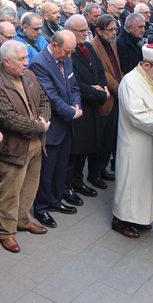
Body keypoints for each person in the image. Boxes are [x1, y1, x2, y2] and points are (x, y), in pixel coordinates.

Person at [0, 40, 51, 253]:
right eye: (21, 59)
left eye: (26, 57)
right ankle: (6, 232)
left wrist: (43, 119)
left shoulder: (29, 75)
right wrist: (39, 126)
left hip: (35, 144)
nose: (27, 62)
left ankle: (23, 220)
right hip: (14, 148)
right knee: (9, 192)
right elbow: (8, 119)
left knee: (30, 186)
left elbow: (44, 101)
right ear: (6, 62)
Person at [112, 43, 153, 238]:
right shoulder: (131, 82)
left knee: (149, 181)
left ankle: (142, 218)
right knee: (132, 181)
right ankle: (121, 220)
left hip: (152, 139)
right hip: (135, 141)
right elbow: (138, 116)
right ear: (147, 65)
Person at [29, 30, 81, 229]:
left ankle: (56, 199)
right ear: (54, 45)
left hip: (67, 123)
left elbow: (74, 86)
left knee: (61, 166)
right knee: (47, 170)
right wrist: (70, 112)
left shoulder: (67, 59)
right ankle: (41, 207)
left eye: (71, 52)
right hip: (53, 125)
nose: (69, 56)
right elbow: (50, 96)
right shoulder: (39, 64)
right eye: (66, 52)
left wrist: (76, 106)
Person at [65, 14, 109, 201]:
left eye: (86, 30)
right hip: (78, 107)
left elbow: (99, 71)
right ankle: (67, 186)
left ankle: (78, 181)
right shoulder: (68, 53)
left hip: (92, 108)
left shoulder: (88, 47)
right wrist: (97, 92)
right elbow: (74, 82)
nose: (86, 33)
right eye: (81, 31)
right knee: (74, 152)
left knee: (86, 148)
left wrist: (103, 87)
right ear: (70, 31)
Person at [90, 14, 124, 183]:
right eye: (110, 30)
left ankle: (102, 169)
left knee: (110, 137)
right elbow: (104, 72)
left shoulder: (113, 43)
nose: (114, 33)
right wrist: (120, 89)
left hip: (116, 98)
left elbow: (116, 68)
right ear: (99, 30)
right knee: (101, 139)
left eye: (115, 29)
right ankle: (94, 173)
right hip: (107, 98)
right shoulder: (94, 46)